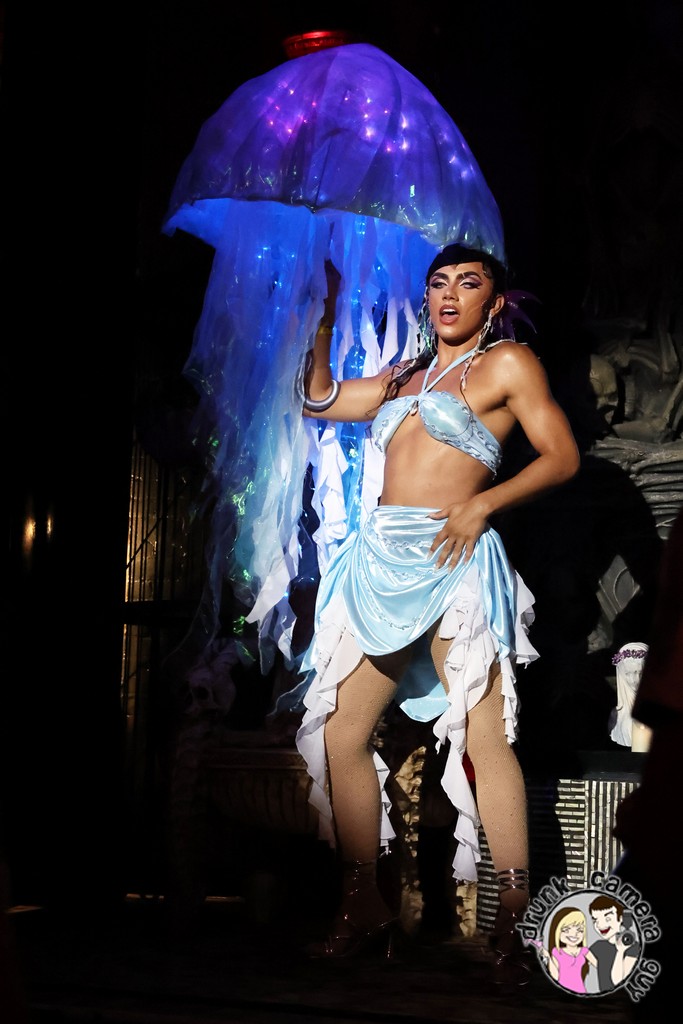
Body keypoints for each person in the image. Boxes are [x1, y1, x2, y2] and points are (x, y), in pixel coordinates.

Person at [294, 242, 580, 985]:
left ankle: (514, 920)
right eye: (438, 283)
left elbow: (561, 457)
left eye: (468, 283)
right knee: (341, 733)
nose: (449, 295)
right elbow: (317, 399)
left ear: (494, 300)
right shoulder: (403, 376)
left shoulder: (507, 363)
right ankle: (364, 906)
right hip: (379, 563)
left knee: (485, 737)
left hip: (453, 557)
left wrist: (483, 505)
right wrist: (323, 316)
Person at [540, 906, 598, 994]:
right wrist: (548, 957)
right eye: (566, 930)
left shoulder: (584, 951)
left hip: (580, 991)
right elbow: (555, 976)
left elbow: (600, 966)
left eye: (580, 930)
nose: (574, 934)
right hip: (562, 992)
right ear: (557, 931)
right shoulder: (556, 952)